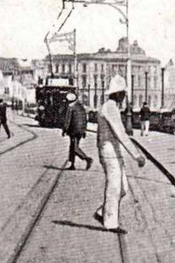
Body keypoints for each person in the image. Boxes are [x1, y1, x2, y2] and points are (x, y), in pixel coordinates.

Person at [93, 75, 146, 231]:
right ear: (117, 93)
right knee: (114, 187)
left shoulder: (110, 107)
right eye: (123, 93)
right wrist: (136, 155)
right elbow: (120, 133)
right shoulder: (110, 108)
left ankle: (102, 212)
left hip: (112, 151)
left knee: (123, 188)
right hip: (110, 152)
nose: (124, 96)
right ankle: (110, 223)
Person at [61, 92, 92, 170]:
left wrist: (64, 130)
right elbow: (85, 120)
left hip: (73, 130)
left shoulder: (70, 108)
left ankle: (87, 159)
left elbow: (67, 121)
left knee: (74, 148)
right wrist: (84, 130)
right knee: (73, 146)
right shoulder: (81, 108)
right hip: (80, 130)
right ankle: (72, 165)